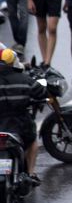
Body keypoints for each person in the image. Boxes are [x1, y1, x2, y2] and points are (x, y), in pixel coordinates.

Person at [0, 48, 46, 180]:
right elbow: (41, 93)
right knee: (32, 142)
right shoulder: (24, 79)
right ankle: (30, 173)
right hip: (20, 124)